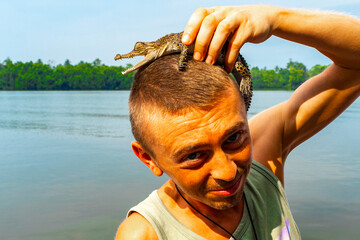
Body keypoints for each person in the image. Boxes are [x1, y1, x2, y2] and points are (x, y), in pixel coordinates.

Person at [115, 5, 360, 240]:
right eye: (194, 155)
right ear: (148, 159)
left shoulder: (264, 156)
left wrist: (275, 18)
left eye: (233, 138)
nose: (228, 172)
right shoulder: (145, 234)